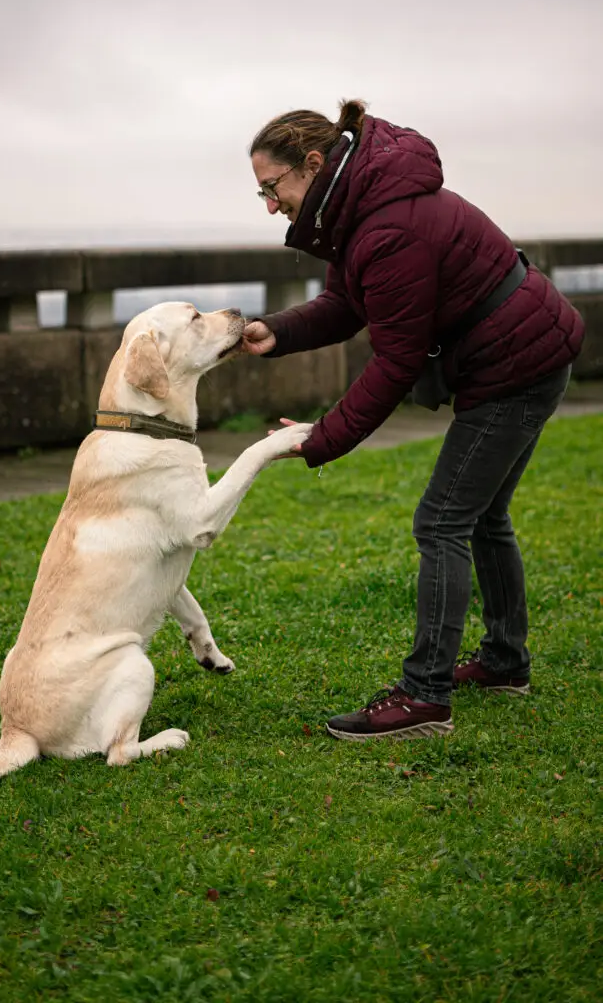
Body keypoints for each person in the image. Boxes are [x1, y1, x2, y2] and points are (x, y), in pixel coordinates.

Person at [242, 99, 584, 742]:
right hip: (527, 349)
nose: (269, 205)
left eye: (272, 187)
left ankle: (425, 697)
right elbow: (350, 302)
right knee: (482, 516)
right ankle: (506, 661)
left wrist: (323, 437)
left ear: (312, 164)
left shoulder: (384, 226)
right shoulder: (363, 204)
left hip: (516, 366)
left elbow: (396, 360)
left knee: (443, 520)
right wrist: (278, 332)